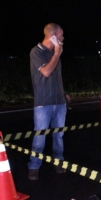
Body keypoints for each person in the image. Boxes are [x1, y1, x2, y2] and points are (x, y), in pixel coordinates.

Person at [28, 23, 70, 180]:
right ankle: (34, 166)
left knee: (58, 135)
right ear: (52, 36)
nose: (63, 38)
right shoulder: (36, 52)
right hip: (43, 103)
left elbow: (55, 77)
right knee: (40, 136)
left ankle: (58, 162)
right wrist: (57, 54)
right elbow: (46, 72)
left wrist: (63, 93)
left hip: (59, 102)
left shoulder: (55, 53)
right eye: (61, 36)